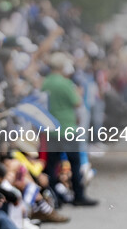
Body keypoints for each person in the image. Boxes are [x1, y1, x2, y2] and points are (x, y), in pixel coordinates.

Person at [42, 52, 98, 206]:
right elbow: (77, 102)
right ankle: (78, 196)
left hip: (51, 128)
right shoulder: (65, 83)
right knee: (75, 163)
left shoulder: (45, 82)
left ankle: (53, 196)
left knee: (52, 164)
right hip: (67, 127)